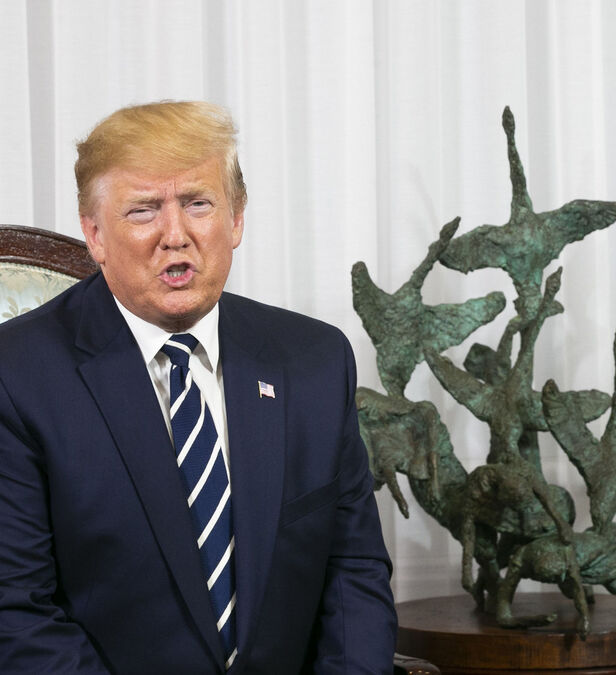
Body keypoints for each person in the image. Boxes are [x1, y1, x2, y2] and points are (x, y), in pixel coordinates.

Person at [0, 101, 397, 673]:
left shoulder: (315, 360)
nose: (176, 235)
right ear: (95, 234)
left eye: (198, 204)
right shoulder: (18, 375)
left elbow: (353, 574)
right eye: (143, 210)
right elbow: (16, 613)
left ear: (236, 220)